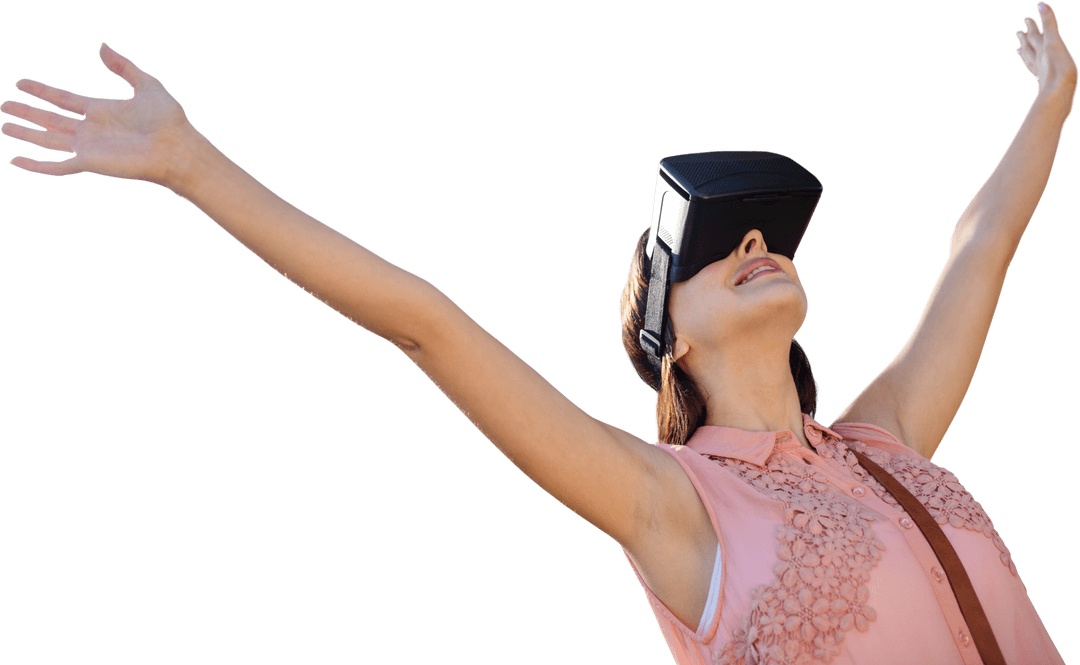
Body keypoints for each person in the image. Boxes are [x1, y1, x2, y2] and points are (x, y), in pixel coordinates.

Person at [1, 2, 1075, 662]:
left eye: (762, 232)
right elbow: (426, 324)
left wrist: (1053, 100)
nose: (753, 241)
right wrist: (193, 165)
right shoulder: (675, 506)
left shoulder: (882, 439)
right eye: (711, 250)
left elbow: (981, 251)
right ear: (670, 339)